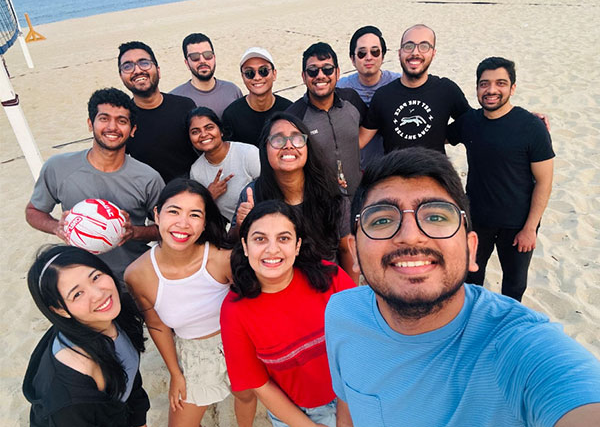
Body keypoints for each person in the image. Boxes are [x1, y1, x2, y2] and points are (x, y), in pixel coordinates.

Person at [325, 148, 600, 427]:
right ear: (355, 253)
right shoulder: (341, 313)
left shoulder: (518, 347)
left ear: (471, 249)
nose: (410, 236)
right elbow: (348, 408)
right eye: (382, 220)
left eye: (435, 216)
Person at [125, 179, 256, 427]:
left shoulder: (221, 259)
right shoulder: (138, 273)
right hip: (195, 354)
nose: (183, 223)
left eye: (194, 214)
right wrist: (176, 374)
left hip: (239, 344)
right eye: (173, 211)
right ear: (156, 214)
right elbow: (157, 326)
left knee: (246, 396)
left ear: (204, 222)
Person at [221, 200, 356, 427]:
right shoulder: (234, 310)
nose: (272, 249)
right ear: (245, 246)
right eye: (260, 239)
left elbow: (359, 348)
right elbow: (260, 385)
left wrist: (346, 419)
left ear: (297, 245)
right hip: (296, 414)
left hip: (355, 396)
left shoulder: (330, 277)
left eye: (283, 238)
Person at [25, 88, 164, 281]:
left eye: (122, 121)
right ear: (91, 123)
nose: (112, 127)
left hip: (134, 275)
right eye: (104, 118)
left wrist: (135, 232)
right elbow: (33, 211)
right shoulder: (58, 167)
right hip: (83, 277)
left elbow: (165, 229)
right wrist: (56, 226)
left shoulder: (148, 178)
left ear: (132, 130)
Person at [448, 57, 554, 302]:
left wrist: (530, 228)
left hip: (517, 224)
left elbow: (544, 182)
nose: (491, 90)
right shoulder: (470, 122)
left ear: (512, 88)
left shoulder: (531, 127)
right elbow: (436, 136)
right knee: (470, 281)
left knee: (514, 287)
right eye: (484, 84)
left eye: (500, 83)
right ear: (477, 88)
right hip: (477, 219)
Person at [23, 245, 150, 426]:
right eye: (77, 294)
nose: (99, 294)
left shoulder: (114, 316)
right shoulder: (69, 393)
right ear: (60, 310)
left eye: (96, 277)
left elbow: (131, 382)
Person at [232, 112, 358, 284]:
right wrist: (242, 225)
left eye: (297, 139)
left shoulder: (330, 193)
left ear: (307, 146)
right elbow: (234, 246)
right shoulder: (253, 194)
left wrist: (350, 294)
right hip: (274, 290)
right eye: (278, 140)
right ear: (265, 148)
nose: (288, 145)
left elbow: (346, 250)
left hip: (325, 289)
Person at [359, 24, 471, 154]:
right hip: (394, 172)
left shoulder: (447, 90)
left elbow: (473, 122)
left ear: (433, 53)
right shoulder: (383, 96)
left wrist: (444, 135)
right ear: (399, 53)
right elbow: (360, 140)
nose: (415, 52)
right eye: (409, 46)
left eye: (424, 46)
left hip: (434, 172)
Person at [287, 42, 367, 197]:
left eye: (327, 69)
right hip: (320, 201)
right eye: (312, 71)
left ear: (337, 73)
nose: (320, 75)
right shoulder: (294, 117)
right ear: (304, 77)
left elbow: (371, 124)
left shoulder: (351, 99)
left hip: (359, 196)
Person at [118, 40, 197, 183]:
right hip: (151, 197)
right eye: (128, 66)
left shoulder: (185, 106)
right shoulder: (122, 120)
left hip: (193, 190)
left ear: (158, 71)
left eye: (144, 63)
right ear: (121, 77)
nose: (137, 70)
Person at [337, 26, 401, 168]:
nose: (369, 57)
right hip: (358, 169)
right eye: (361, 53)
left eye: (375, 51)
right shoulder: (340, 88)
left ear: (383, 56)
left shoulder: (399, 84)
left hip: (394, 166)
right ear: (352, 59)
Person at [188, 106, 260, 222]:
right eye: (195, 132)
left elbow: (272, 188)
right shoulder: (196, 171)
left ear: (221, 131)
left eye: (209, 127)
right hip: (232, 231)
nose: (203, 134)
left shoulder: (248, 153)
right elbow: (198, 212)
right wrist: (209, 196)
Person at [222, 47, 292, 146]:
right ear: (243, 77)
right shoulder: (231, 115)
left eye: (263, 71)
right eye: (249, 73)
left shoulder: (289, 110)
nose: (257, 77)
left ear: (274, 74)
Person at [170, 33, 242, 119]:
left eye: (208, 55)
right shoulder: (175, 98)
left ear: (214, 58)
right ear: (187, 63)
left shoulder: (232, 91)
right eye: (195, 57)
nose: (202, 61)